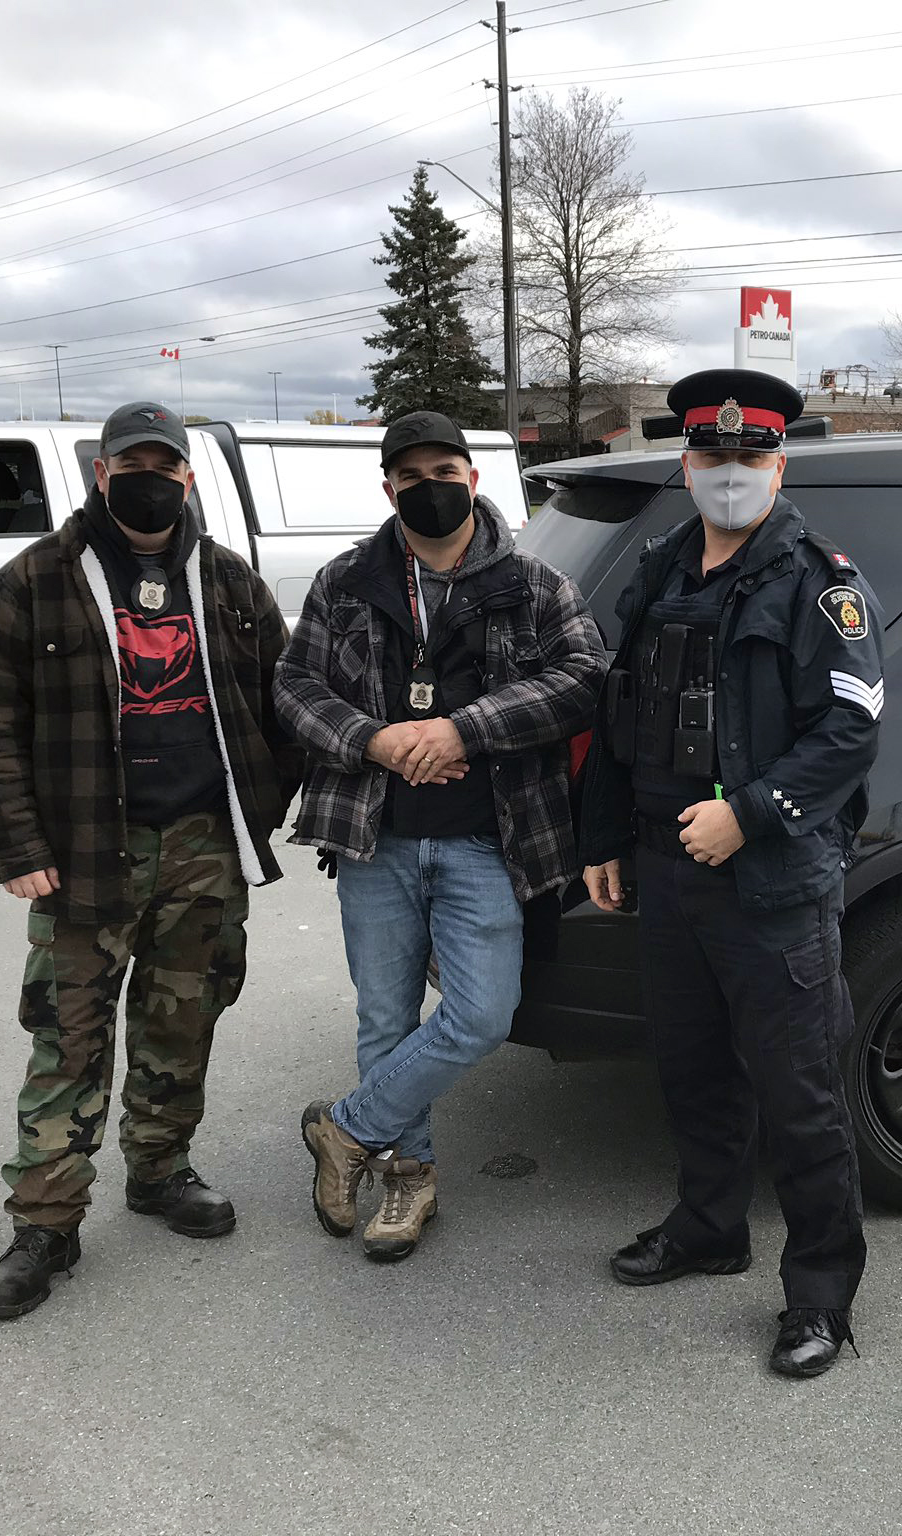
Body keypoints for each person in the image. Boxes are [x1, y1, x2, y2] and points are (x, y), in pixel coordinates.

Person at [0, 401, 299, 1319]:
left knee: (183, 1020)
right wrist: (19, 846)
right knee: (68, 1036)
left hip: (203, 846)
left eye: (165, 464)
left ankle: (159, 1169)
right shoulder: (32, 583)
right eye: (129, 463)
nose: (148, 478)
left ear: (188, 477)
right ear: (99, 474)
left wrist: (267, 806)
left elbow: (286, 699)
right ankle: (45, 1223)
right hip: (83, 853)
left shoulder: (230, 583)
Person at [578, 369, 884, 1378]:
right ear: (685, 460)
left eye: (750, 454)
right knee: (692, 1072)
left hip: (768, 887)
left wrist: (748, 816)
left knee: (799, 1097)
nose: (729, 472)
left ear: (779, 461)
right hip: (666, 874)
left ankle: (821, 1296)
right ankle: (709, 1227)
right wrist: (603, 840)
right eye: (711, 455)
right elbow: (618, 718)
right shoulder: (662, 569)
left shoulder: (819, 584)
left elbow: (850, 728)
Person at [278, 410, 602, 1263]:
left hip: (487, 843)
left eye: (445, 470)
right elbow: (294, 687)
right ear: (387, 488)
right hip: (375, 840)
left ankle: (343, 1131)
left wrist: (466, 729)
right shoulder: (344, 581)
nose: (431, 487)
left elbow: (581, 679)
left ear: (474, 477)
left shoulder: (534, 584)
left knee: (482, 1015)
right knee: (385, 1017)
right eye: (412, 475)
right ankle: (407, 1180)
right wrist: (373, 740)